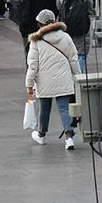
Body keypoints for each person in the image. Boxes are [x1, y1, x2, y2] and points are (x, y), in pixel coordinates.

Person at [26, 9, 80, 149]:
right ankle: (69, 138)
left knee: (44, 108)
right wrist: (77, 76)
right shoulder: (65, 37)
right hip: (64, 78)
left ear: (40, 24)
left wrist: (29, 83)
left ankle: (41, 135)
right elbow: (73, 58)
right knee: (63, 108)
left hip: (45, 81)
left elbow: (33, 65)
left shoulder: (36, 40)